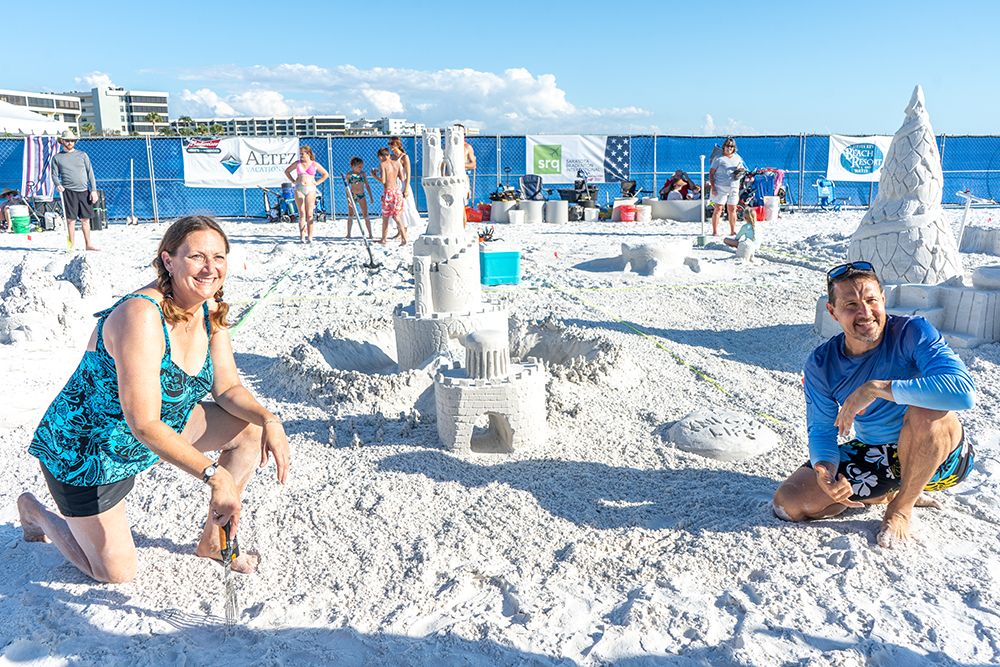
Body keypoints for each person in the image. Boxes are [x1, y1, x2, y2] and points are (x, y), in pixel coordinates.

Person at [17, 216, 291, 583]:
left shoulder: (209, 307)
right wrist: (214, 475)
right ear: (168, 260)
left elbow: (227, 389)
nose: (210, 268)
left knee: (250, 430)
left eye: (218, 257)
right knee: (114, 573)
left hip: (157, 432)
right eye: (197, 257)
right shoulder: (141, 315)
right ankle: (36, 512)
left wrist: (269, 418)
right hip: (89, 451)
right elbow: (143, 423)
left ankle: (214, 542)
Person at [772, 261, 976, 548]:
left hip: (942, 458)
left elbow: (964, 392)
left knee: (925, 410)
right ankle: (888, 492)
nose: (865, 312)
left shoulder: (912, 331)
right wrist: (825, 472)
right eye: (851, 305)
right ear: (832, 311)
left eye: (871, 300)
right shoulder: (821, 363)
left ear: (883, 298)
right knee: (789, 503)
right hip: (879, 453)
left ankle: (902, 507)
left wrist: (878, 389)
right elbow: (821, 429)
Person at [50, 130, 99, 251]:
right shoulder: (57, 158)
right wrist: (58, 184)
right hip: (68, 192)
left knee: (85, 219)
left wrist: (93, 190)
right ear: (62, 141)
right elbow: (54, 175)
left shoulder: (82, 155)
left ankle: (88, 244)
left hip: (84, 191)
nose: (70, 142)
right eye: (67, 140)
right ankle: (71, 246)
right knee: (71, 220)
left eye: (72, 140)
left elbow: (90, 173)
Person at [283, 146, 329, 244]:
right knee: (302, 213)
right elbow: (287, 171)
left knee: (310, 214)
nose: (301, 156)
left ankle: (310, 236)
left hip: (310, 189)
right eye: (300, 154)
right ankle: (302, 236)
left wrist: (317, 182)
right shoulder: (297, 163)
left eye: (302, 153)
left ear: (308, 154)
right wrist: (293, 181)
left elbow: (325, 174)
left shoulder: (314, 164)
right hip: (299, 188)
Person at [371, 147, 408, 246]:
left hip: (388, 192)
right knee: (397, 216)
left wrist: (374, 175)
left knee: (386, 217)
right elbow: (402, 178)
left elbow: (383, 181)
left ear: (381, 156)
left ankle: (384, 239)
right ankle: (404, 238)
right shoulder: (397, 163)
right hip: (397, 191)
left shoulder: (383, 164)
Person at [709, 138, 745, 236]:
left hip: (734, 186)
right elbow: (711, 174)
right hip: (720, 186)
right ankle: (715, 231)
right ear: (724, 146)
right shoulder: (718, 158)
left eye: (732, 146)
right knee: (718, 208)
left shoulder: (737, 158)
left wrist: (740, 171)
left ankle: (733, 231)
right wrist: (713, 187)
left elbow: (742, 169)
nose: (730, 148)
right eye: (728, 146)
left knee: (732, 209)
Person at [389, 136, 420, 234]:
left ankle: (404, 231)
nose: (390, 146)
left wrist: (406, 188)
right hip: (393, 184)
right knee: (395, 207)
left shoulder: (404, 157)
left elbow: (408, 174)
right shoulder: (390, 157)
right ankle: (399, 231)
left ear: (397, 145)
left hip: (402, 184)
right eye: (389, 144)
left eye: (392, 144)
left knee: (405, 207)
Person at [345, 156, 374, 239]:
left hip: (361, 195)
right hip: (353, 195)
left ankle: (370, 234)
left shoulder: (362, 174)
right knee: (351, 214)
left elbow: (367, 185)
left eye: (361, 167)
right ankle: (348, 233)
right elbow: (347, 188)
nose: (360, 168)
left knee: (365, 214)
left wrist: (371, 196)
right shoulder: (349, 175)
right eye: (359, 167)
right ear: (353, 166)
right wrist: (348, 198)